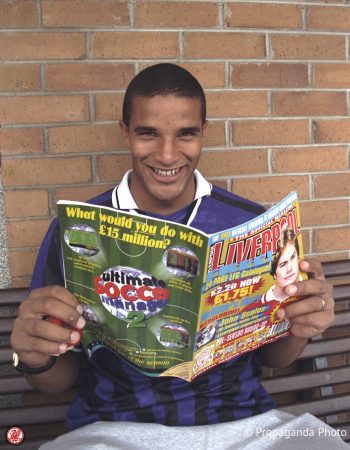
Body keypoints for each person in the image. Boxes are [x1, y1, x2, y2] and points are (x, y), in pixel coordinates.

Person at [10, 63, 340, 447]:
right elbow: (59, 380)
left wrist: (302, 326)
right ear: (125, 133)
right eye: (148, 134)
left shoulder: (252, 225)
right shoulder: (75, 232)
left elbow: (272, 359)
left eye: (186, 134)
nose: (167, 155)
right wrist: (35, 356)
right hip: (115, 430)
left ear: (203, 134)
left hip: (244, 426)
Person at [261, 227, 303, 304]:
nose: (290, 268)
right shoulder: (262, 302)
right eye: (283, 264)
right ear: (274, 274)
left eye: (293, 257)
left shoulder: (307, 283)